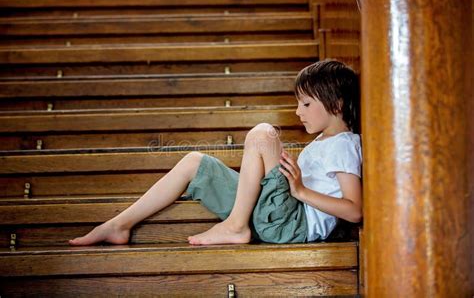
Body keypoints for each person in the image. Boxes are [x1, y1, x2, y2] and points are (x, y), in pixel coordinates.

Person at [68, 60, 362, 246]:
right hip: (279, 214)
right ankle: (118, 225)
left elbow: (355, 210)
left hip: (293, 223)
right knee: (195, 162)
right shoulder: (325, 140)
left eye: (306, 104)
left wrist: (299, 192)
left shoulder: (345, 144)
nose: (298, 112)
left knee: (263, 133)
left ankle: (235, 226)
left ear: (335, 104)